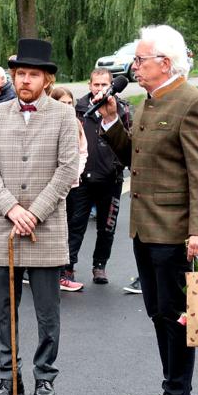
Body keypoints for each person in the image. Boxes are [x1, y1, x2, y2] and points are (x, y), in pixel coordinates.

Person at [100, 25, 198, 395]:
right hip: (146, 228)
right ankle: (172, 394)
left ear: (164, 63)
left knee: (179, 318)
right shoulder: (151, 101)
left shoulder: (191, 102)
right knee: (159, 313)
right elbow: (137, 157)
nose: (134, 67)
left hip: (174, 232)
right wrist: (113, 122)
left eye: (140, 60)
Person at [0, 38, 78, 395]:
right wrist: (11, 208)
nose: (24, 80)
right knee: (5, 313)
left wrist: (34, 212)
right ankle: (8, 377)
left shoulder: (64, 115)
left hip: (47, 229)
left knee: (47, 314)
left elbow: (67, 168)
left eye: (32, 75)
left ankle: (45, 375)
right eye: (20, 73)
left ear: (46, 80)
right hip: (6, 229)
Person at [65, 68, 131, 287]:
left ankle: (99, 265)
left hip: (110, 178)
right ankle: (68, 266)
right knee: (75, 224)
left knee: (107, 227)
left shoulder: (121, 108)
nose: (100, 88)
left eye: (104, 85)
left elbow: (129, 141)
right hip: (83, 178)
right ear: (89, 85)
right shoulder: (79, 108)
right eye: (96, 84)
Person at [51, 86, 89, 292]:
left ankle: (63, 272)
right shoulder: (47, 122)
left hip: (73, 185)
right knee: (54, 230)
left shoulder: (76, 124)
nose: (66, 107)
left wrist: (76, 172)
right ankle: (53, 274)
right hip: (53, 186)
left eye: (69, 103)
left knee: (69, 229)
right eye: (62, 103)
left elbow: (83, 151)